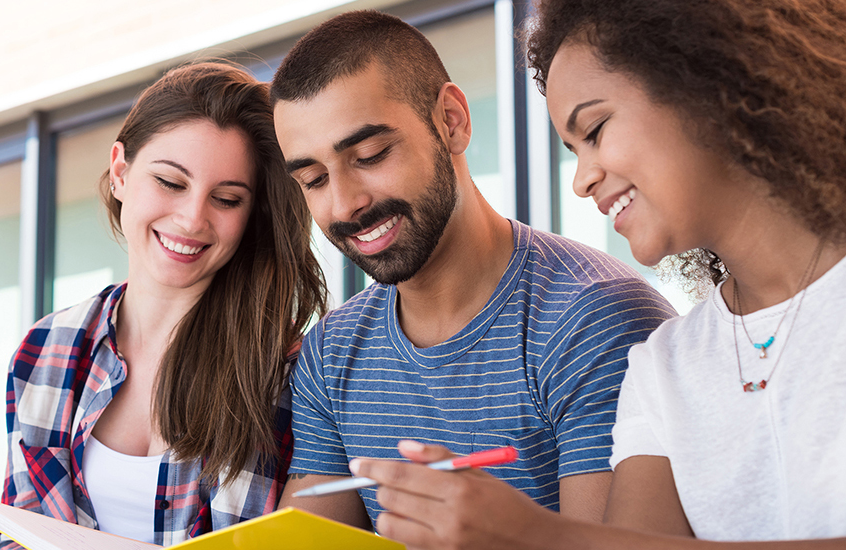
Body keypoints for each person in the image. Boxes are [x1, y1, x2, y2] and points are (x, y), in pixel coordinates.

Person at [348, 0, 846, 548]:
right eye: (572, 150)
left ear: (711, 82)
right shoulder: (665, 364)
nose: (583, 179)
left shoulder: (604, 317)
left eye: (595, 129)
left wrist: (540, 536)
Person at [269, 9, 676, 536]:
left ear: (452, 121)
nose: (345, 204)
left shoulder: (591, 319)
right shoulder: (331, 352)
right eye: (314, 178)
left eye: (370, 154)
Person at [0, 61, 327, 548]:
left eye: (227, 199)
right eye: (171, 183)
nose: (192, 219)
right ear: (121, 172)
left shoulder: (287, 375)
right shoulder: (45, 350)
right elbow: (16, 534)